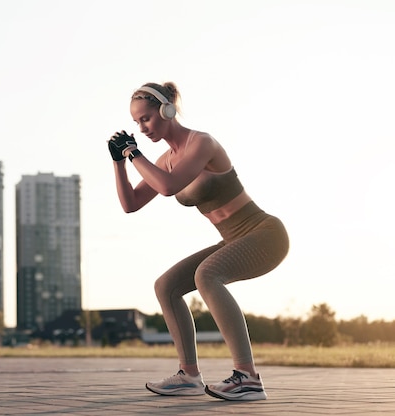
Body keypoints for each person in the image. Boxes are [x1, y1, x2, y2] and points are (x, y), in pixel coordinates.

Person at [107, 82, 289, 401]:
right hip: (234, 238)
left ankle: (248, 377)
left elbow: (167, 186)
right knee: (166, 285)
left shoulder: (202, 143)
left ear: (168, 110)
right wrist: (119, 163)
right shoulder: (166, 158)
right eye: (137, 122)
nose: (142, 127)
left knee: (207, 275)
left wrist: (133, 152)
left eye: (146, 118)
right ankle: (189, 376)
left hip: (264, 234)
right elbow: (131, 203)